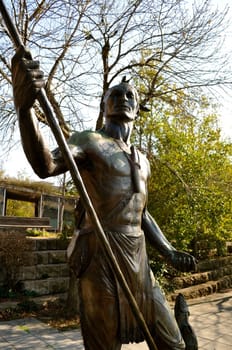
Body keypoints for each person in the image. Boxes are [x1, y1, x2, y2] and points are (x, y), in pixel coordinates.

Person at [11, 46, 197, 350]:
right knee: (103, 346)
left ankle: (184, 325)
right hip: (100, 254)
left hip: (139, 259)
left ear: (138, 110)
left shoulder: (143, 159)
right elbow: (45, 165)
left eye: (130, 96)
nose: (123, 98)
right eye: (115, 94)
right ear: (104, 103)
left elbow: (143, 213)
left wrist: (168, 251)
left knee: (172, 344)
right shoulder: (90, 141)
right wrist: (25, 109)